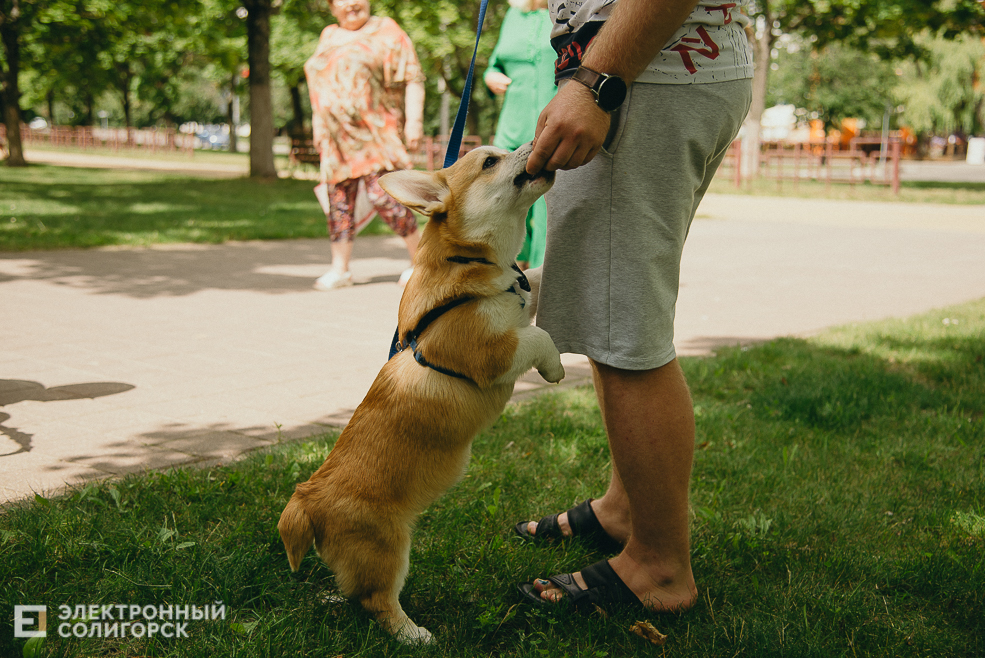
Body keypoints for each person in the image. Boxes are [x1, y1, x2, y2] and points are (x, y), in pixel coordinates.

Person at [515, 0, 753, 612]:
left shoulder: (613, 81)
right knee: (609, 315)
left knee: (625, 327)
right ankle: (627, 511)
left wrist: (596, 83)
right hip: (649, 69)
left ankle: (659, 567)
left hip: (644, 75)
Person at [305, 0, 425, 290]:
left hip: (375, 134)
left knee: (386, 197)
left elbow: (413, 78)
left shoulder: (387, 31)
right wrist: (318, 126)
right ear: (332, 7)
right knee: (339, 204)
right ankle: (340, 269)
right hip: (336, 138)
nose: (352, 4)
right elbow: (318, 86)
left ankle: (420, 263)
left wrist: (414, 122)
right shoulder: (328, 35)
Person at [484, 0, 556, 269]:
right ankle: (509, 268)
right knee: (504, 201)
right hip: (511, 127)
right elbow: (495, 64)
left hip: (550, 126)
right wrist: (491, 77)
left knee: (547, 204)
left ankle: (542, 272)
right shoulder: (512, 15)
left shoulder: (566, 14)